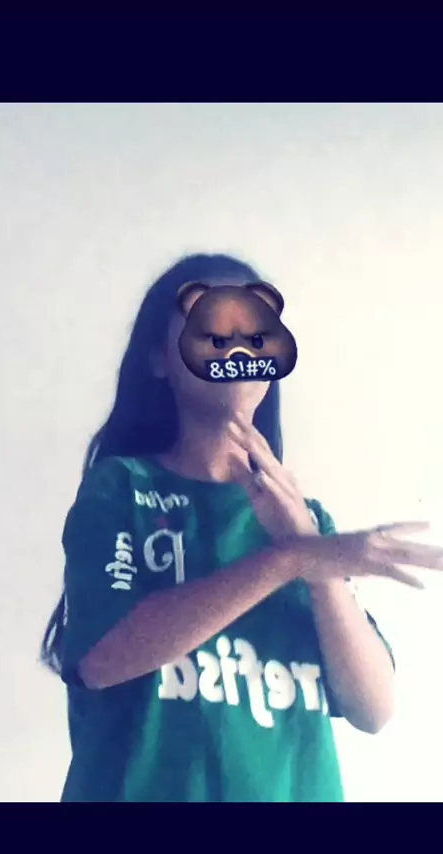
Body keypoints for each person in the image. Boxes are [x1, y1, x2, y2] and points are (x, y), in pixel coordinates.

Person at [40, 253, 443, 803]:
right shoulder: (121, 488)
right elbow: (103, 657)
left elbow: (372, 708)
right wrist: (288, 560)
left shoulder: (305, 520)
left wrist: (313, 559)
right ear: (159, 358)